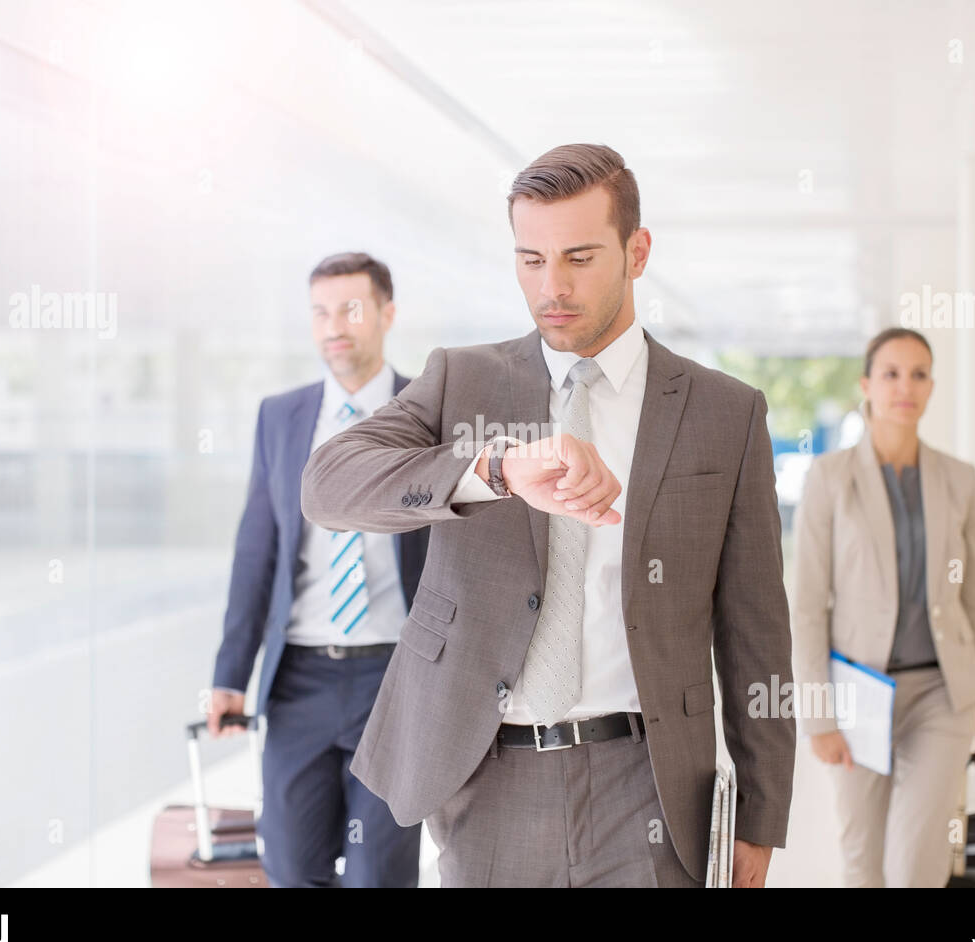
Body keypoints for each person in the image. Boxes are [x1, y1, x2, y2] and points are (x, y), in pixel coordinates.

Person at [300, 144, 795, 887]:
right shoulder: (463, 380)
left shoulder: (723, 412)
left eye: (579, 257)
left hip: (650, 785)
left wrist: (760, 814)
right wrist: (492, 468)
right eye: (530, 260)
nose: (551, 287)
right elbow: (328, 485)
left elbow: (757, 626)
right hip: (490, 780)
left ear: (638, 251)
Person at [207, 252, 428, 887]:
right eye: (321, 312)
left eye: (351, 310)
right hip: (298, 679)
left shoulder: (428, 410)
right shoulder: (282, 418)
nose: (335, 325)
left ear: (387, 314)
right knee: (292, 869)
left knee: (379, 877)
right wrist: (230, 676)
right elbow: (257, 552)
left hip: (395, 678)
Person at [791, 326, 975, 887]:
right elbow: (809, 604)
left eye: (918, 374)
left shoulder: (960, 481)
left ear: (932, 387)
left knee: (915, 864)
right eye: (891, 373)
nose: (904, 387)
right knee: (862, 861)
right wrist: (818, 716)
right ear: (867, 384)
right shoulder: (830, 478)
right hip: (857, 693)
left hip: (942, 694)